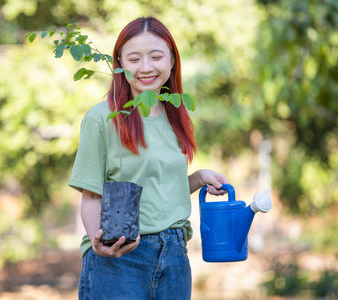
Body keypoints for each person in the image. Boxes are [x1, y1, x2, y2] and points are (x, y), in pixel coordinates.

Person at [69, 16, 228, 300]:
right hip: (121, 256)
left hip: (175, 254)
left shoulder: (175, 114)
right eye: (134, 58)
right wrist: (99, 242)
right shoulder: (101, 118)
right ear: (119, 62)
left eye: (156, 56)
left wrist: (199, 177)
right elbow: (91, 196)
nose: (145, 67)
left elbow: (159, 188)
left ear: (171, 60)